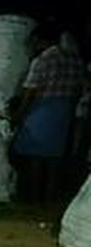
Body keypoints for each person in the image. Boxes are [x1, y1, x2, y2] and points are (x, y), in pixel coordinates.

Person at [11, 19, 87, 205]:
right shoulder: (75, 59)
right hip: (63, 112)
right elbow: (80, 87)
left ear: (39, 40)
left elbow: (30, 90)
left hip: (41, 111)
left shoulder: (43, 59)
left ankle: (34, 200)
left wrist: (19, 114)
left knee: (35, 156)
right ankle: (50, 199)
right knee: (54, 157)